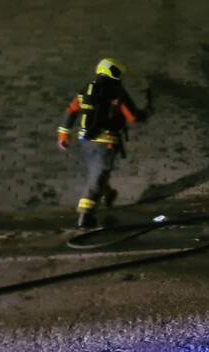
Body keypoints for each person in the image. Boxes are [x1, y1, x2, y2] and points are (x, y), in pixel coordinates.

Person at [57, 58, 149, 229]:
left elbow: (71, 111)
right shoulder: (115, 91)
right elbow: (133, 117)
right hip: (106, 142)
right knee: (97, 177)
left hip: (85, 142)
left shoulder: (86, 89)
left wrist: (63, 135)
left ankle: (108, 193)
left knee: (97, 172)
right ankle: (86, 216)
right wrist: (145, 113)